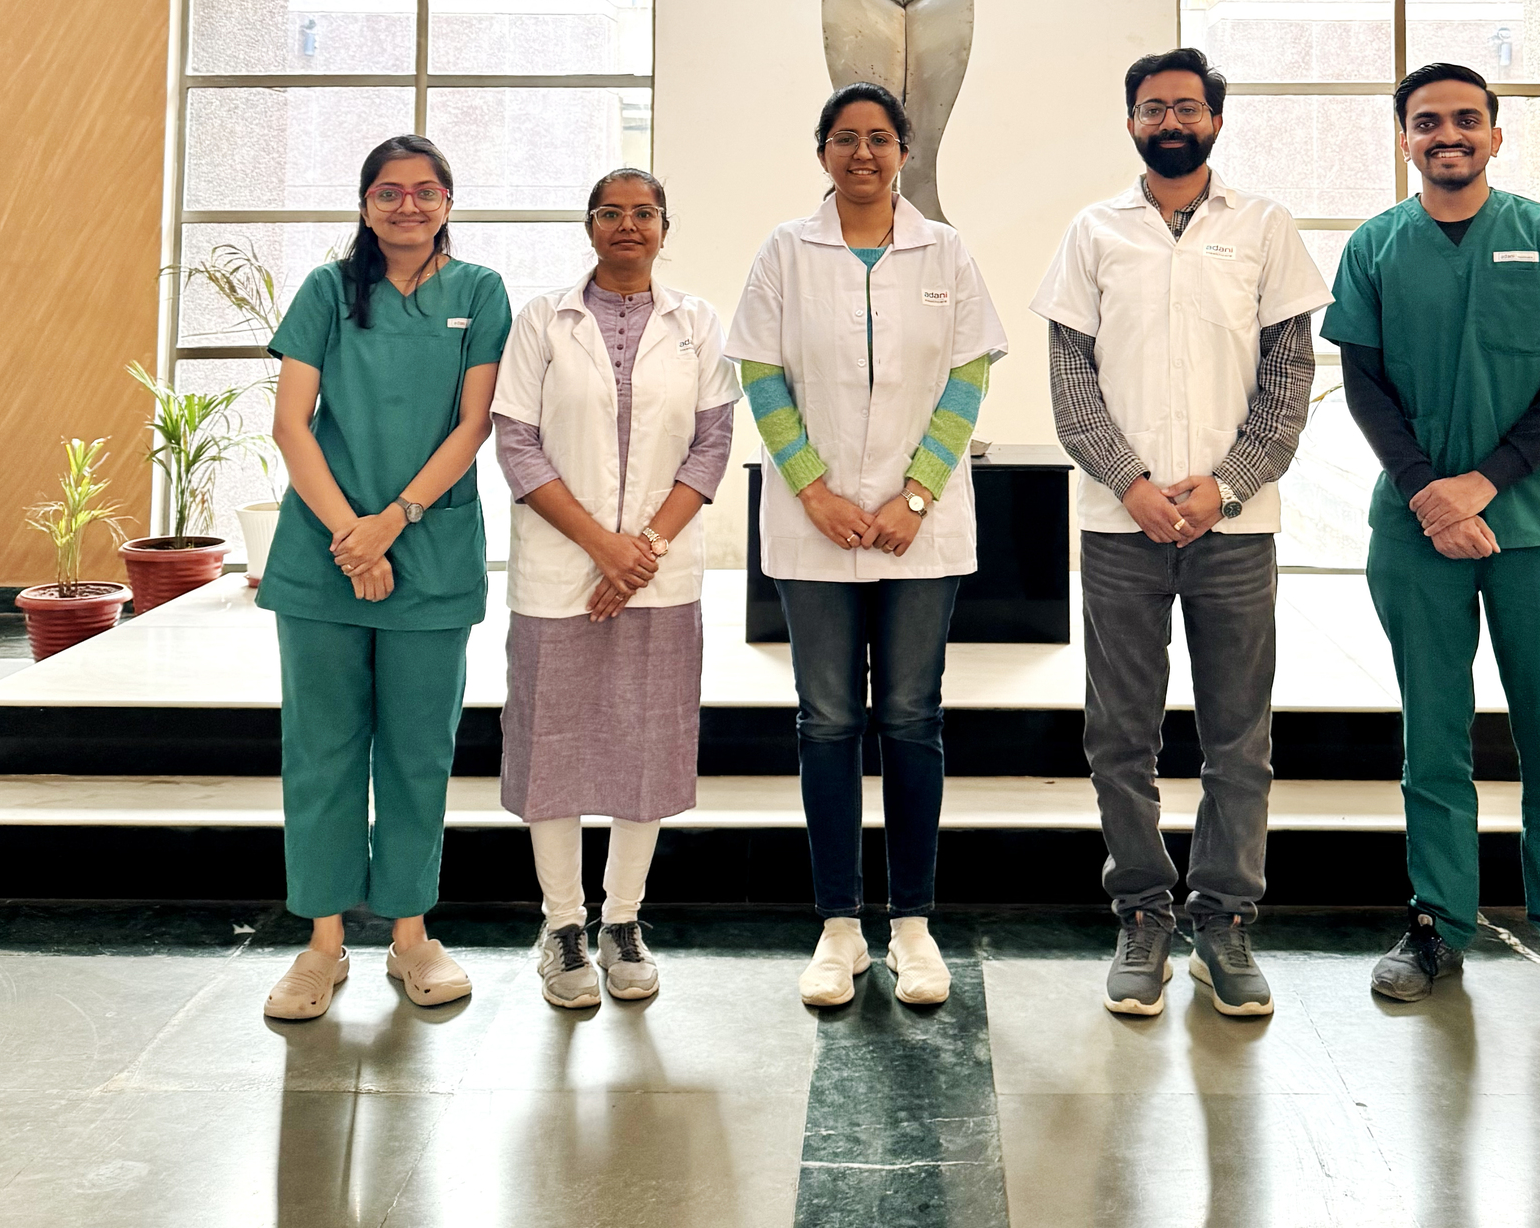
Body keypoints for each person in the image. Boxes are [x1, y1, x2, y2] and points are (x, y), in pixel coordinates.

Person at [1321, 61, 1540, 1029]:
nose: (1446, 135)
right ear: (1404, 139)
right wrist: (1429, 494)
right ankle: (1436, 921)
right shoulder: (1375, 248)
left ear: (1498, 135)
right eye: (1426, 122)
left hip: (1536, 527)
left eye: (1465, 120)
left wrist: (1482, 483)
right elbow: (1366, 386)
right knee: (1434, 731)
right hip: (1418, 532)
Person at [1032, 47, 1330, 1021]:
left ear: (1214, 120)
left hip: (1234, 530)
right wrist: (1131, 482)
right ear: (1131, 123)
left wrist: (1225, 485)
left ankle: (1226, 919)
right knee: (1120, 733)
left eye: (1188, 106)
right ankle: (1142, 912)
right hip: (1119, 526)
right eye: (1154, 106)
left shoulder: (1264, 228)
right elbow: (1070, 381)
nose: (1171, 119)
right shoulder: (1093, 232)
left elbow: (1290, 381)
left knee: (1238, 740)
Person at [727, 83, 1007, 1008]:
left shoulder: (946, 250)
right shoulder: (785, 250)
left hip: (918, 525)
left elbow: (968, 374)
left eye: (879, 139)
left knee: (913, 718)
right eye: (844, 140)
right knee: (828, 721)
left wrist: (916, 490)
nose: (862, 154)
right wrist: (811, 485)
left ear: (903, 151)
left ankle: (914, 924)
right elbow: (761, 373)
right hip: (816, 525)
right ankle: (839, 925)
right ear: (822, 154)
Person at [257, 135, 511, 1023]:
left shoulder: (479, 292)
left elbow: (474, 424)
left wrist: (391, 524)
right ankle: (322, 947)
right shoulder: (329, 291)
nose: (408, 206)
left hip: (429, 552)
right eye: (389, 192)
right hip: (324, 561)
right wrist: (350, 537)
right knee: (321, 750)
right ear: (365, 203)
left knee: (417, 751)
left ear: (449, 200)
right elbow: (294, 424)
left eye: (426, 191)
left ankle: (411, 936)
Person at [491, 167, 737, 1009]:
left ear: (666, 227)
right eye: (610, 213)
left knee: (647, 743)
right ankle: (562, 926)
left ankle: (623, 920)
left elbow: (710, 447)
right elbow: (516, 443)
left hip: (658, 574)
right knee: (553, 744)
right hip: (563, 569)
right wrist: (603, 548)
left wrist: (645, 549)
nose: (626, 226)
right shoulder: (542, 319)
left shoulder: (697, 323)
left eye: (643, 213)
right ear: (588, 226)